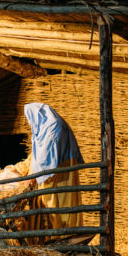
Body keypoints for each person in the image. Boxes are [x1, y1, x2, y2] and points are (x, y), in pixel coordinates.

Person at [23, 103, 84, 241]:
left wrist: (33, 176)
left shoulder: (52, 127)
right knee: (63, 202)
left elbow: (45, 159)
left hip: (57, 172)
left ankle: (58, 237)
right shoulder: (49, 126)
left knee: (56, 203)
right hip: (62, 167)